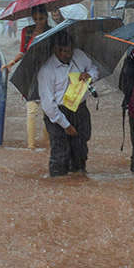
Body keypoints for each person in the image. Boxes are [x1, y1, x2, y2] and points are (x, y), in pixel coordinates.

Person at [37, 31, 99, 176]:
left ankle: (78, 179)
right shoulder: (46, 71)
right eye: (62, 51)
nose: (67, 54)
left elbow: (94, 69)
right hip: (58, 114)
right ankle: (59, 181)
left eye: (69, 50)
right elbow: (48, 105)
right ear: (55, 49)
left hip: (79, 109)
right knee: (60, 153)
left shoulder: (79, 56)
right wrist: (66, 125)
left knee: (80, 149)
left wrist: (90, 75)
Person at [3, 4, 51, 149]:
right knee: (31, 111)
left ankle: (46, 141)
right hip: (30, 74)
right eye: (35, 19)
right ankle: (31, 146)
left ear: (46, 17)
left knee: (49, 111)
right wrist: (12, 62)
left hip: (49, 75)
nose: (38, 21)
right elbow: (22, 51)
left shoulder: (53, 32)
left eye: (41, 18)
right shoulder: (27, 31)